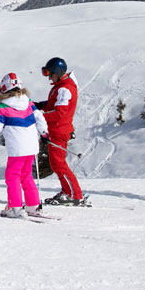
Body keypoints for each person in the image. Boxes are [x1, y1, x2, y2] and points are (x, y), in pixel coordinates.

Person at [0, 72, 48, 218]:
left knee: (12, 176)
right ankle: (33, 206)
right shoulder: (28, 102)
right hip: (31, 146)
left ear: (4, 88)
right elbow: (40, 117)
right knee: (26, 175)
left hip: (17, 147)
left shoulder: (2, 106)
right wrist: (44, 132)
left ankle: (15, 208)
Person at [35, 56, 87, 206]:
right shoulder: (61, 86)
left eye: (50, 74)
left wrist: (39, 117)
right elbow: (54, 103)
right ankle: (67, 191)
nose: (49, 78)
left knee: (59, 165)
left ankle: (74, 195)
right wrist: (40, 105)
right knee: (57, 164)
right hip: (56, 129)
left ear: (58, 72)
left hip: (58, 130)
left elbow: (59, 113)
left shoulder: (65, 89)